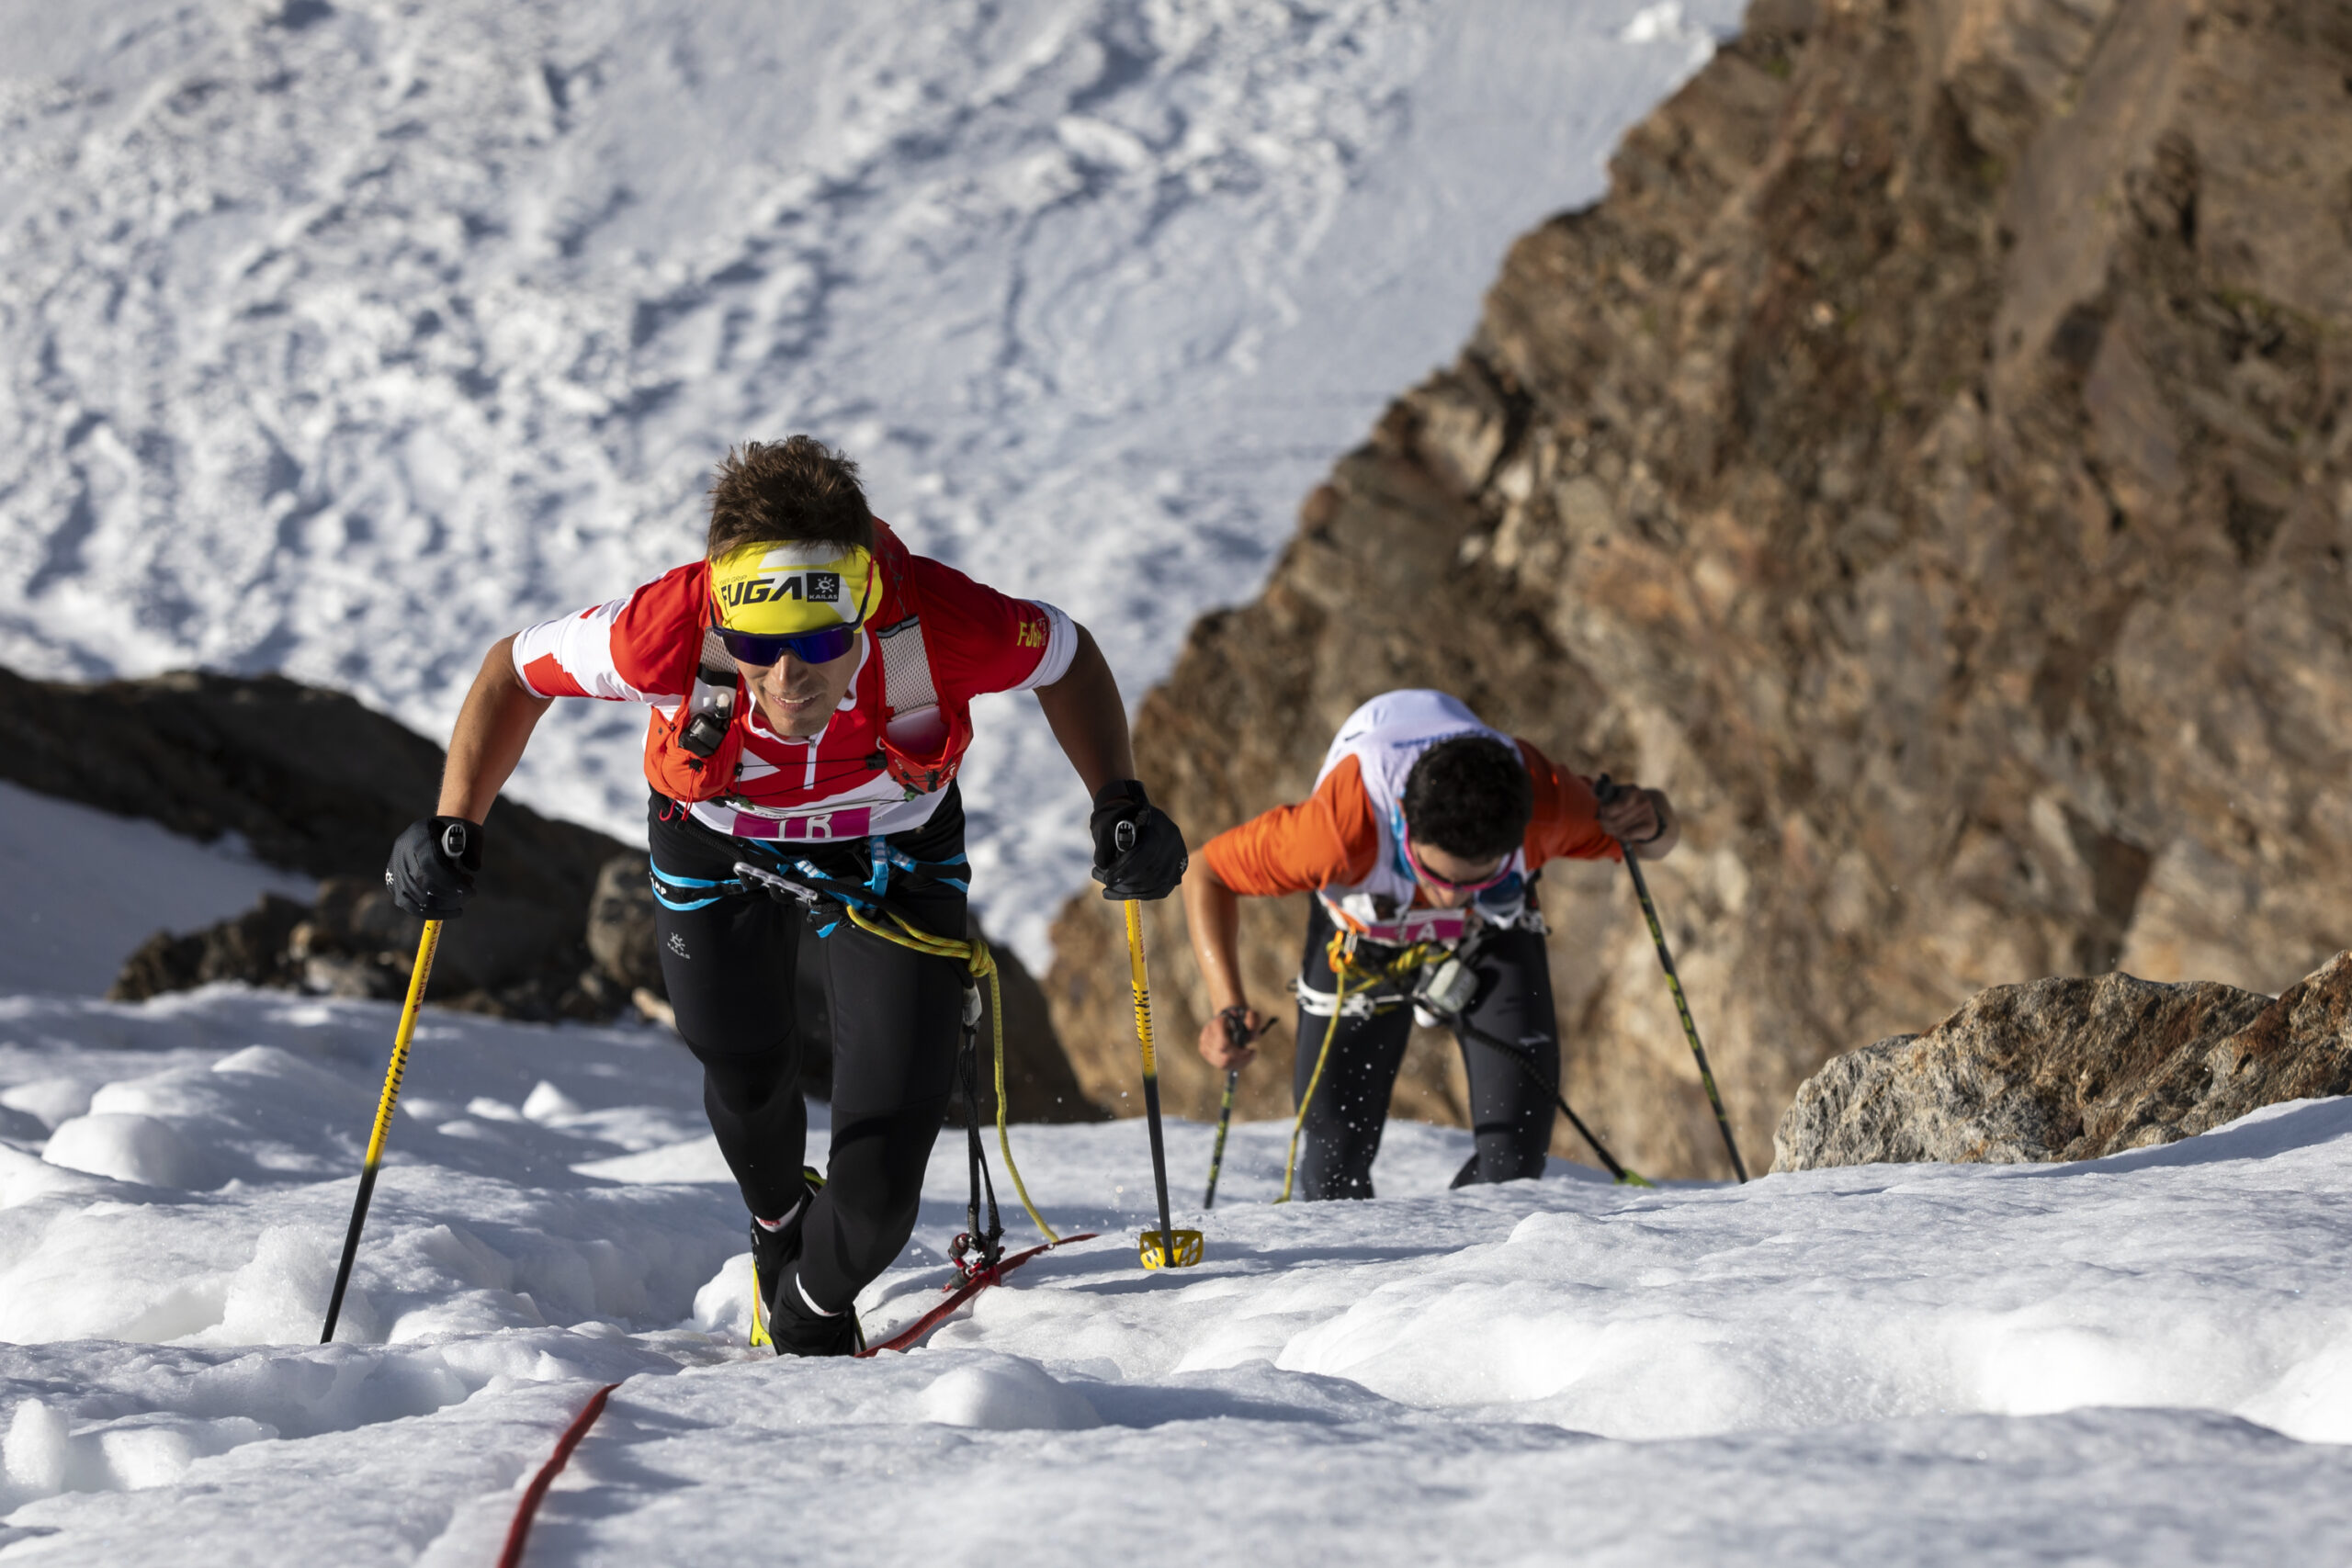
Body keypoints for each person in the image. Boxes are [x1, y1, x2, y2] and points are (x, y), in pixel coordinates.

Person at [386, 436, 1186, 1355]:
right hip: (714, 840)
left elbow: (1068, 656)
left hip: (894, 850)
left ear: (865, 605)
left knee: (881, 1194)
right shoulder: (662, 630)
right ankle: (776, 1226)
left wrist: (1120, 801)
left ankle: (808, 1300)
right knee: (741, 1064)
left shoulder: (944, 620)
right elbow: (512, 671)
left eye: (817, 642)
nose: (786, 678)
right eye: (758, 648)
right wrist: (455, 821)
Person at [1182, 689, 1677, 1200]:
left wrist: (1649, 814)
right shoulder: (1337, 830)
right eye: (1429, 875)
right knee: (1335, 1161)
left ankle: (1468, 1275)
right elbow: (1206, 872)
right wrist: (1227, 1003)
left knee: (1515, 1160)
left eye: (1481, 880)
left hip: (1486, 934)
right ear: (1402, 824)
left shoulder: (1545, 805)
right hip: (1362, 940)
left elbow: (1658, 838)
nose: (1446, 898)